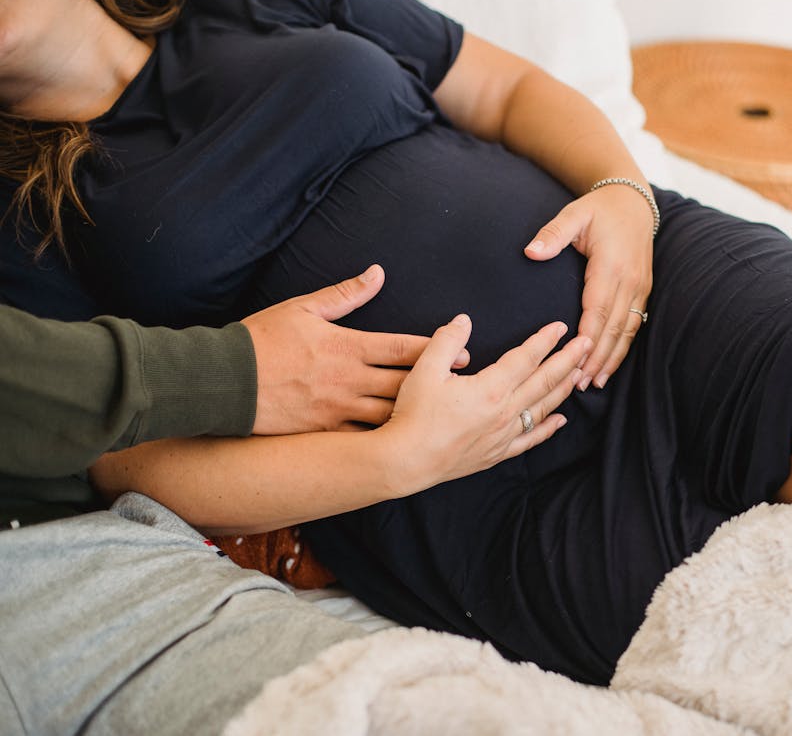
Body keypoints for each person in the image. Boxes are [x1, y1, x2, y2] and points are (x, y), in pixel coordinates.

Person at [2, 0, 792, 686]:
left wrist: (623, 196)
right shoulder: (14, 209)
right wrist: (397, 459)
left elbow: (501, 85)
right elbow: (127, 458)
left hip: (647, 288)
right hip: (467, 482)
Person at [0, 266, 585, 734]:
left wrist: (623, 190)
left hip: (104, 570)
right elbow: (120, 456)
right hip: (102, 552)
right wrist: (238, 375)